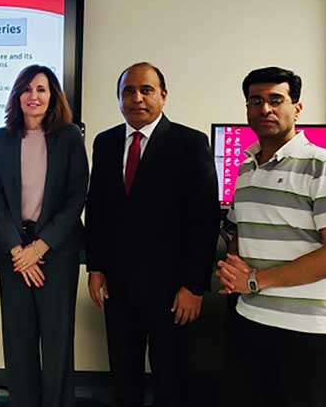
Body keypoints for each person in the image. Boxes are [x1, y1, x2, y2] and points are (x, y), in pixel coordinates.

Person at [216, 67, 326, 407]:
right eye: (255, 101)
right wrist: (233, 269)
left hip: (310, 332)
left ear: (296, 107)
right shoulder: (246, 168)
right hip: (252, 319)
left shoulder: (325, 165)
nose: (265, 108)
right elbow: (240, 231)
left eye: (275, 100)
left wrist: (253, 280)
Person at [85, 62, 220, 407]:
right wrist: (95, 267)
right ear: (118, 98)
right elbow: (98, 209)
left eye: (146, 90)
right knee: (123, 376)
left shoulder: (190, 143)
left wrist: (194, 286)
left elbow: (204, 221)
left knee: (169, 378)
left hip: (172, 289)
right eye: (128, 91)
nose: (137, 98)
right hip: (118, 285)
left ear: (163, 95)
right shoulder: (106, 142)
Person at [0, 65, 88, 407]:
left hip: (56, 252)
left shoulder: (70, 136)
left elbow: (77, 198)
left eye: (41, 89)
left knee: (58, 341)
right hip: (13, 252)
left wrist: (41, 246)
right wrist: (18, 250)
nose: (34, 96)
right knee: (19, 340)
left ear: (52, 95)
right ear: (17, 95)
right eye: (27, 89)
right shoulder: (0, 138)